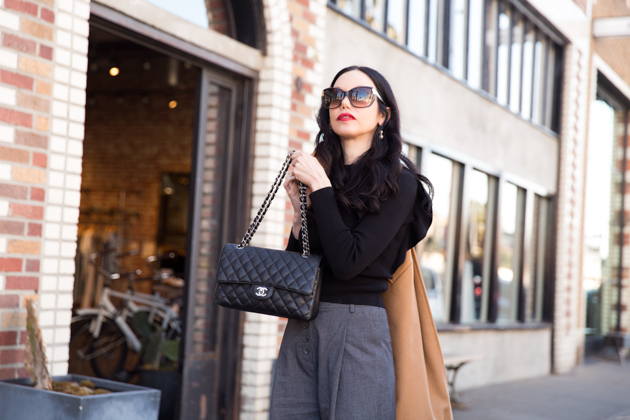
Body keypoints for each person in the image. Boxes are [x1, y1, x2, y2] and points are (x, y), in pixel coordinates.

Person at [269, 65, 434, 420]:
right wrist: (301, 217)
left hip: (357, 326)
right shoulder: (321, 174)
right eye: (335, 96)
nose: (345, 102)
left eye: (360, 96)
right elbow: (298, 270)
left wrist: (321, 190)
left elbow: (349, 263)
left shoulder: (400, 185)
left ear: (382, 115)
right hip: (303, 325)